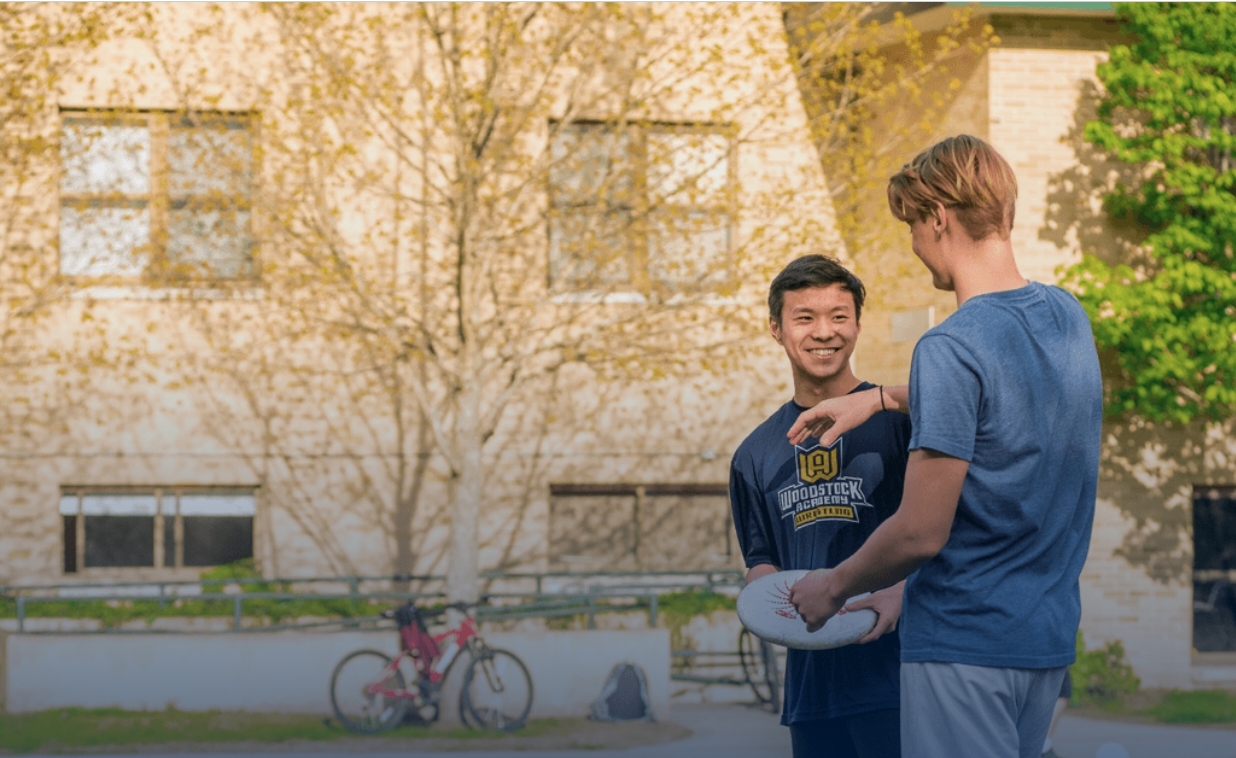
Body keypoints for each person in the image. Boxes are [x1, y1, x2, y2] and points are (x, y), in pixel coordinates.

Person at [786, 135, 1102, 758]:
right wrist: (878, 399)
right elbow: (1003, 401)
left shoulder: (949, 347)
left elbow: (920, 533)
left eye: (912, 225)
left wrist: (834, 586)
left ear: (938, 218)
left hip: (964, 647)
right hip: (1043, 644)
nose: (912, 244)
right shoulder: (1066, 316)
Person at [730, 254, 911, 758]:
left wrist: (904, 590)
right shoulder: (755, 453)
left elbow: (941, 533)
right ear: (776, 328)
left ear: (857, 325)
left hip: (896, 678)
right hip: (811, 692)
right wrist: (767, 602)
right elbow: (760, 560)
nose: (824, 332)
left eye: (839, 316)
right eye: (805, 317)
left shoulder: (899, 422)